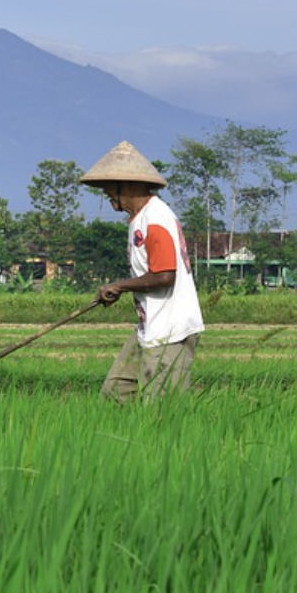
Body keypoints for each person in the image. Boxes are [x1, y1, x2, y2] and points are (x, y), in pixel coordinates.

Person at [80, 141, 204, 403]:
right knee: (115, 393)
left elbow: (164, 276)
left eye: (109, 187)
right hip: (150, 326)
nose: (106, 194)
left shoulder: (155, 218)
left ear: (127, 185)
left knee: (162, 410)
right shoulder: (140, 219)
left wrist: (119, 286)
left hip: (170, 331)